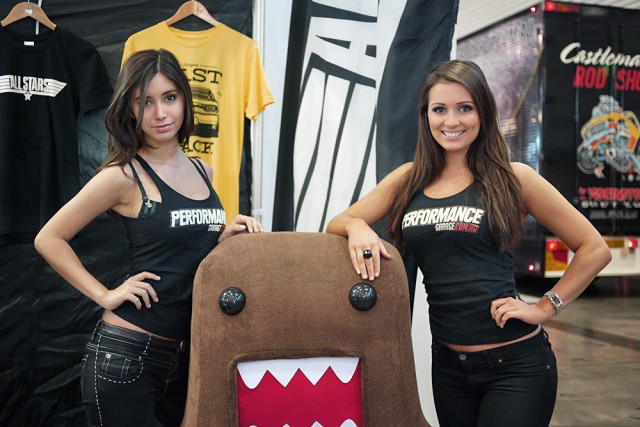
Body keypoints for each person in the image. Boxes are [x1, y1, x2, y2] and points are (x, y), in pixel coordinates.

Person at [326, 59, 611, 427]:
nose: (452, 121)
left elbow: (594, 249)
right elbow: (338, 223)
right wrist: (358, 227)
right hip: (449, 369)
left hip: (516, 367)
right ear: (426, 115)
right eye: (439, 109)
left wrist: (545, 307)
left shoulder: (514, 178)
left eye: (465, 108)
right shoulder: (409, 180)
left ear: (483, 112)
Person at [34, 49, 263, 427]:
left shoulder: (202, 170)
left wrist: (225, 238)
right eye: (146, 102)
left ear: (185, 100)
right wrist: (105, 295)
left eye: (169, 97)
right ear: (130, 109)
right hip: (125, 357)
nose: (160, 113)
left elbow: (185, 249)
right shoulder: (123, 176)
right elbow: (49, 238)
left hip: (185, 357)